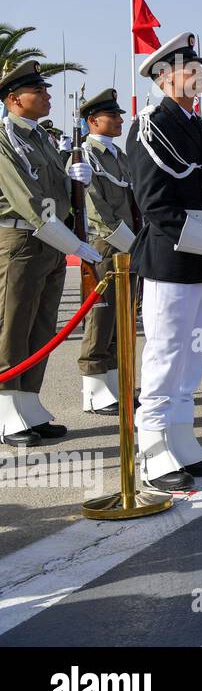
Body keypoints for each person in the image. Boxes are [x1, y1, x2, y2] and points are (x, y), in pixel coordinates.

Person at [126, 33, 202, 489]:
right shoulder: (148, 126)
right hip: (172, 254)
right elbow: (157, 208)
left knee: (193, 353)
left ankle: (181, 438)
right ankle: (154, 449)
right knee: (165, 352)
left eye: (200, 69)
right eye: (190, 69)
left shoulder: (199, 128)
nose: (199, 76)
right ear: (164, 76)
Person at [0, 61, 98, 446]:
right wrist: (73, 243)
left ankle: (29, 403)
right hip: (22, 239)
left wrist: (75, 180)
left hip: (50, 240)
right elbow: (25, 199)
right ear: (13, 98)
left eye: (45, 89)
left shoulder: (41, 137)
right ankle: (7, 409)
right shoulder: (5, 137)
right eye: (37, 91)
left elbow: (57, 192)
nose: (46, 96)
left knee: (41, 326)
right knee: (13, 325)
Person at [76, 87, 139, 416]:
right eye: (112, 115)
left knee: (121, 316)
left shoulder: (119, 156)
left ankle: (115, 382)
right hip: (106, 243)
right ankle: (94, 387)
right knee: (100, 317)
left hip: (126, 243)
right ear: (92, 120)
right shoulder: (85, 155)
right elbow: (98, 211)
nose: (119, 119)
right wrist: (132, 243)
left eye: (119, 114)